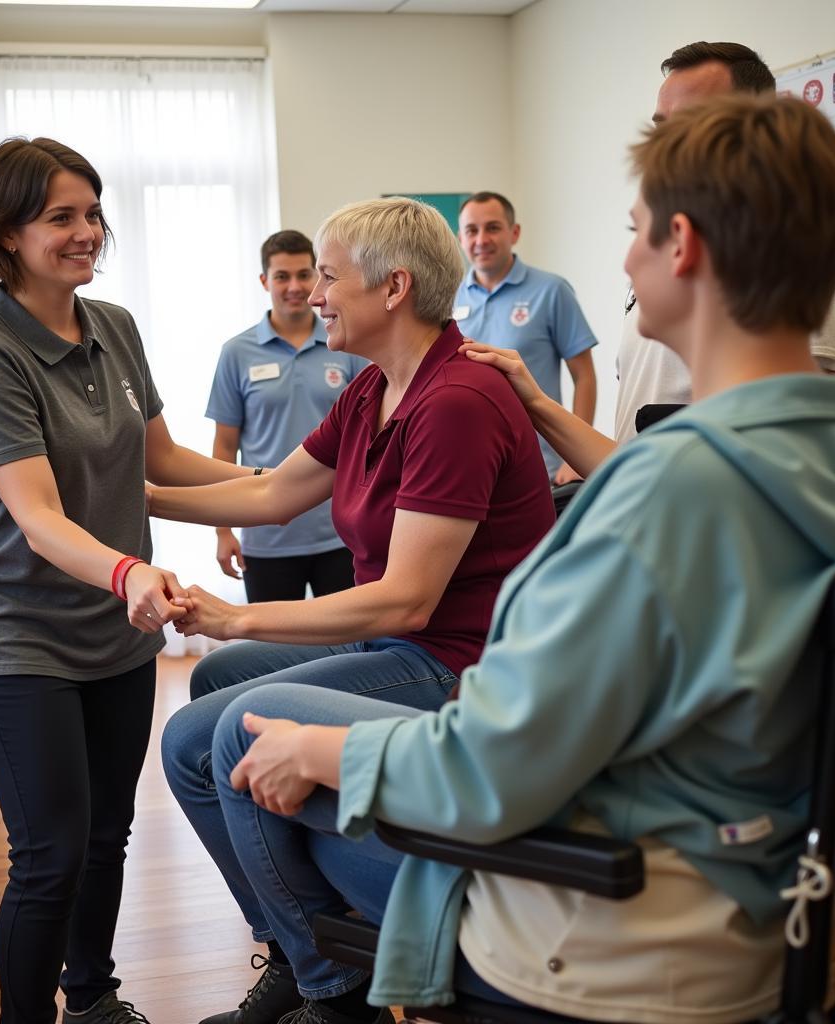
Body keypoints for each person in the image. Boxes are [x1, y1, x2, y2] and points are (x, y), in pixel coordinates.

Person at [206, 93, 835, 1024]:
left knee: (243, 747)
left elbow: (491, 768)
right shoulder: (801, 453)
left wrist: (323, 748)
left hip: (615, 930)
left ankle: (330, 997)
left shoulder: (659, 497)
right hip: (760, 899)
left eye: (634, 232)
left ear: (685, 246)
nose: (623, 259)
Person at [156, 196, 555, 1024]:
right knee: (218, 691)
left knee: (219, 730)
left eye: (330, 277)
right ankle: (298, 946)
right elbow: (269, 494)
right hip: (404, 645)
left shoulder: (456, 401)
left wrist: (235, 615)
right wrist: (126, 495)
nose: (315, 295)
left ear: (395, 288)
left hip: (464, 668)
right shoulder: (375, 387)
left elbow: (408, 601)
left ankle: (332, 994)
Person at [0, 137, 254, 1024]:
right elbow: (37, 517)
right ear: (7, 235)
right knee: (50, 855)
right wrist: (131, 570)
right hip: (15, 640)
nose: (88, 233)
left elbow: (159, 461)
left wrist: (281, 488)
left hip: (115, 633)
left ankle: (96, 998)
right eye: (62, 218)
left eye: (94, 213)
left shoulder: (113, 326)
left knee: (106, 837)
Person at [476, 41, 777, 475]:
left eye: (690, 122)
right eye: (660, 126)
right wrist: (537, 403)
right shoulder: (663, 253)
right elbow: (632, 457)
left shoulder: (790, 255)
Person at [207, 230, 368, 601]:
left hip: (341, 531)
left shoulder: (346, 345)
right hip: (266, 537)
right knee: (272, 657)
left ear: (318, 277)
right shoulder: (237, 352)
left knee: (349, 652)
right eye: (282, 276)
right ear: (265, 281)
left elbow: (370, 437)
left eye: (303, 274)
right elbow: (224, 445)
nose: (294, 286)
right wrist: (222, 530)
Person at [454, 191, 597, 483]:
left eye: (493, 227)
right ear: (460, 238)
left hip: (540, 466)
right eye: (472, 230)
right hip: (469, 466)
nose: (481, 240)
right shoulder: (447, 297)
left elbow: (584, 376)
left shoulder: (551, 290)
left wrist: (576, 458)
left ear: (514, 232)